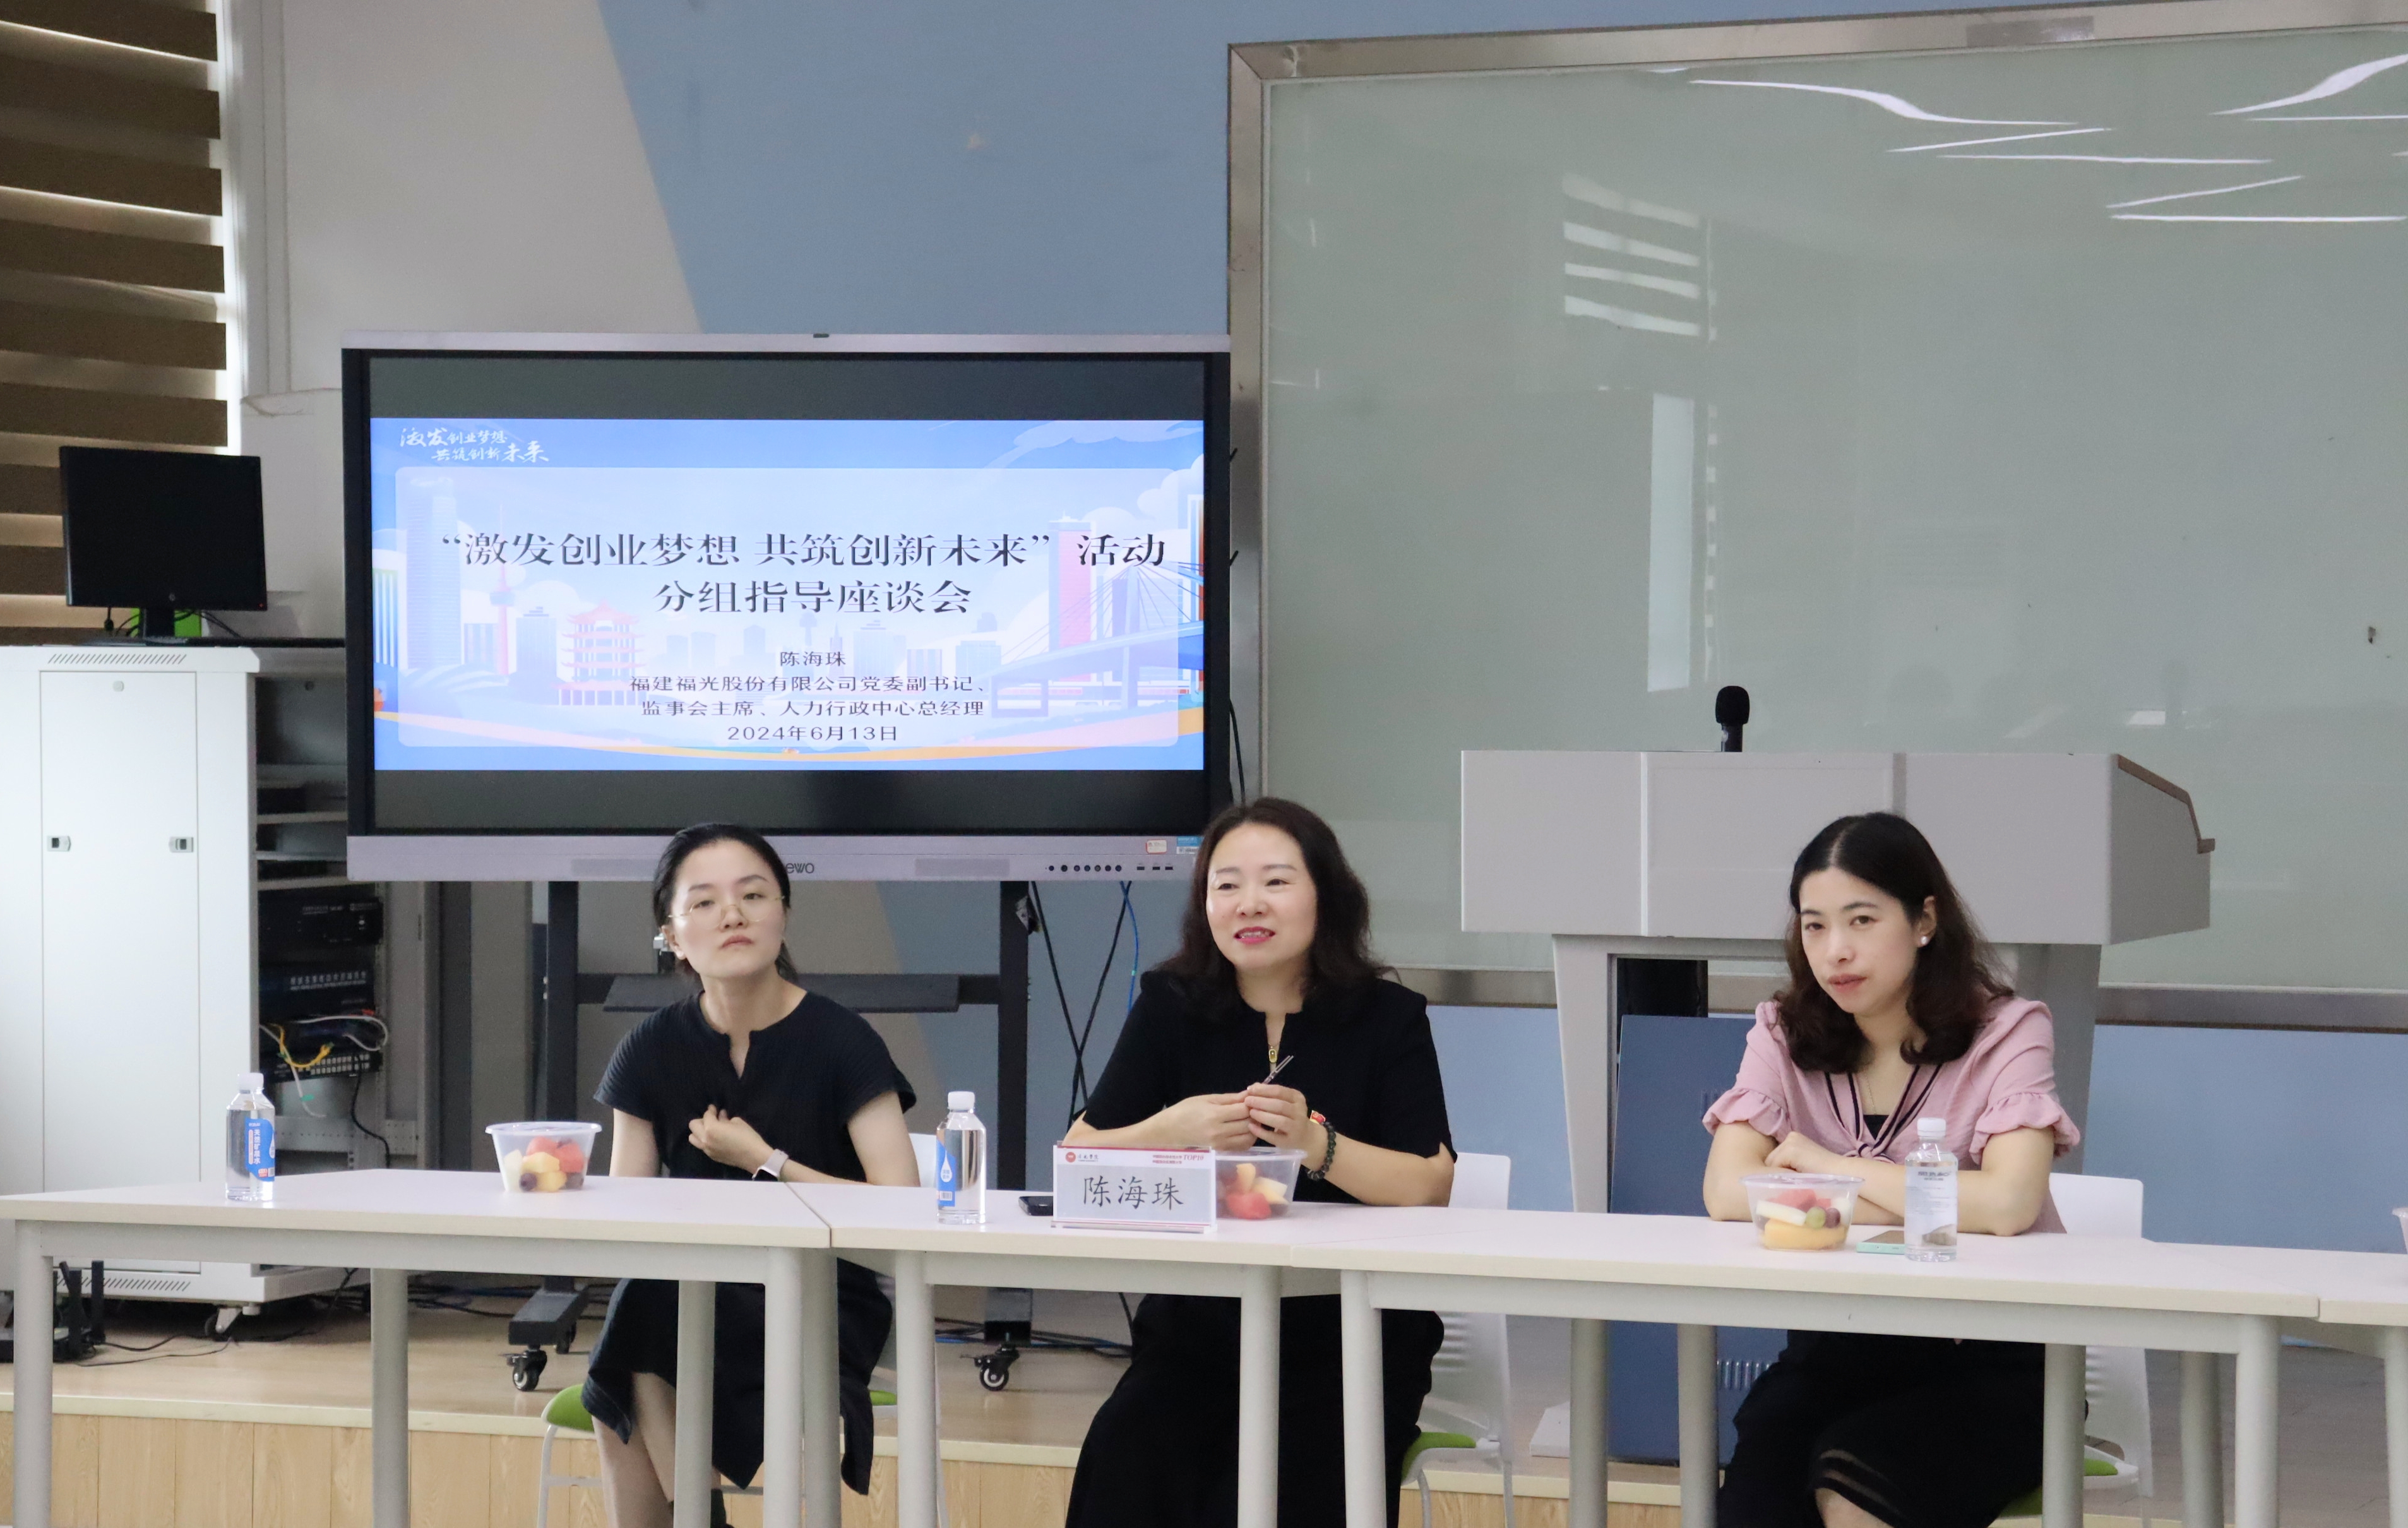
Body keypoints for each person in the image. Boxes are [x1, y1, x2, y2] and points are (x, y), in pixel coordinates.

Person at [1063, 797, 1457, 1528]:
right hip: (1200, 1328)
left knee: (1283, 1487)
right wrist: (1173, 1128)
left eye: (1276, 881)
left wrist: (1315, 1144)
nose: (1249, 903)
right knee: (1127, 1452)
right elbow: (1078, 1156)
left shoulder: (1388, 1016)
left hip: (1349, 1333)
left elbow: (1429, 1181)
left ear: (1326, 895)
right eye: (1226, 884)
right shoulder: (1170, 1005)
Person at [1702, 811, 2080, 1528]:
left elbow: (2008, 1202)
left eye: (1862, 920)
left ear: (1924, 920)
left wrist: (1827, 1170)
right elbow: (1726, 1191)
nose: (1836, 950)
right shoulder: (1781, 1031)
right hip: (1836, 1356)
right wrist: (1926, 1201)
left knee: (1853, 1490)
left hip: (1989, 1362)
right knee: (1756, 1502)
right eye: (1814, 926)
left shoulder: (2008, 1030)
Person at [581, 823, 921, 1528]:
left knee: (634, 1342)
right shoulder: (649, 1048)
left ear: (783, 914)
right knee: (646, 1306)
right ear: (672, 936)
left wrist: (765, 1161)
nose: (732, 914)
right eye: (704, 902)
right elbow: (625, 1218)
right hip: (688, 1296)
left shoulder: (843, 1040)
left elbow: (901, 1205)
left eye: (753, 895)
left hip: (822, 1293)